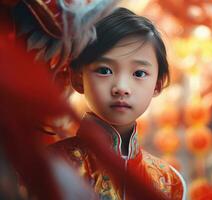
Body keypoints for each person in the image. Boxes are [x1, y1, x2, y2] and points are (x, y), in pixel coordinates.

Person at [50, 7, 186, 200]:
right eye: (105, 70)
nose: (121, 88)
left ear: (157, 85)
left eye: (139, 73)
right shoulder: (50, 166)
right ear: (78, 78)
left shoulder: (169, 182)